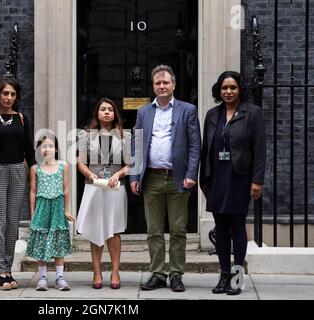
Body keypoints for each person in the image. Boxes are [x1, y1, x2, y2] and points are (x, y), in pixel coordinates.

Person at [130, 65, 201, 292]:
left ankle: (177, 273)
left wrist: (191, 174)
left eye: (166, 83)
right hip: (151, 178)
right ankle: (158, 273)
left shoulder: (187, 110)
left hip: (178, 178)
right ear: (153, 86)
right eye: (158, 83)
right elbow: (137, 145)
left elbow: (194, 146)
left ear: (174, 85)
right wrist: (134, 175)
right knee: (154, 230)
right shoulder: (143, 112)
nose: (162, 86)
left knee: (179, 229)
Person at [199, 71, 266, 295]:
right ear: (219, 90)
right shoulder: (211, 114)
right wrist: (203, 178)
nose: (228, 91)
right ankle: (224, 274)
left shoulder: (253, 113)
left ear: (240, 89)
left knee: (237, 227)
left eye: (233, 87)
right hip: (217, 177)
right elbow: (205, 148)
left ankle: (237, 278)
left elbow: (260, 149)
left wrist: (257, 180)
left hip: (240, 177)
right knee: (221, 228)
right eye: (224, 88)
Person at [0, 77, 35, 290]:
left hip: (18, 171)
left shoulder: (21, 118)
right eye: (5, 93)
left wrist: (34, 175)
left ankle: (8, 270)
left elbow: (29, 150)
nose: (9, 97)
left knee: (12, 224)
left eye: (12, 94)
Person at [75, 98, 131, 290]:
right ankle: (97, 271)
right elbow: (80, 162)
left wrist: (118, 173)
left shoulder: (124, 135)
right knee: (95, 228)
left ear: (115, 114)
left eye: (110, 110)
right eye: (103, 109)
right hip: (94, 185)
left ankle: (115, 271)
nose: (106, 112)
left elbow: (131, 164)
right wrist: (89, 173)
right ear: (97, 113)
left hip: (115, 187)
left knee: (113, 229)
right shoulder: (86, 135)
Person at [25, 134, 73, 291]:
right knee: (41, 240)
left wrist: (66, 209)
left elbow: (66, 189)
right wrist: (32, 215)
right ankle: (43, 277)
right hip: (42, 208)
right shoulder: (35, 168)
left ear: (56, 149)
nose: (47, 149)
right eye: (44, 146)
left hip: (58, 208)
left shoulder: (63, 166)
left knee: (58, 240)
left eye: (50, 146)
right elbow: (33, 192)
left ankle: (60, 278)